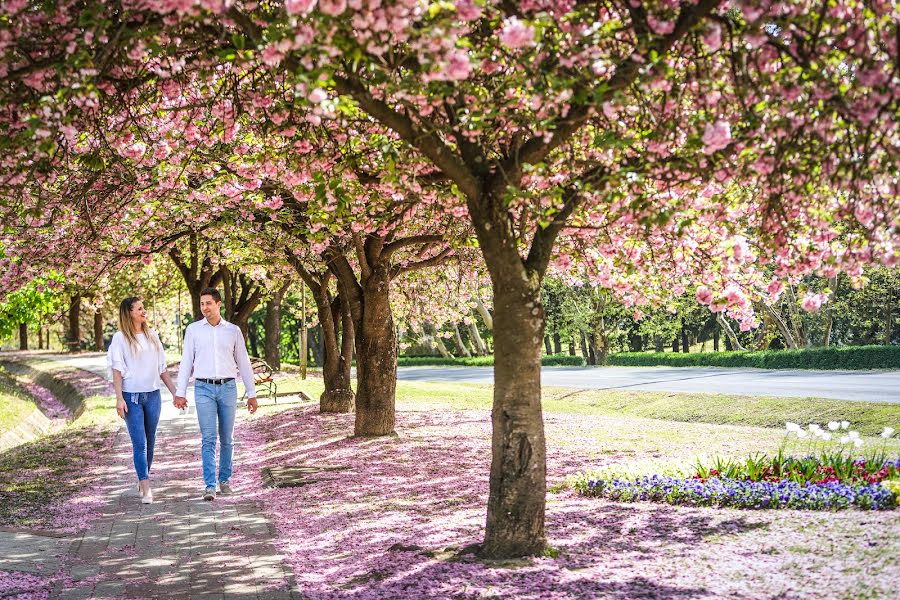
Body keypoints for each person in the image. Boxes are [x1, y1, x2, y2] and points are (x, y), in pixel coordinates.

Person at [174, 287, 257, 501]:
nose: (205, 307)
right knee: (208, 438)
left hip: (228, 387)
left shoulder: (233, 331)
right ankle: (210, 485)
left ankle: (225, 481)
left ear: (219, 304)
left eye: (208, 303)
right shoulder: (193, 330)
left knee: (227, 439)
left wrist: (252, 393)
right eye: (202, 304)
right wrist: (180, 392)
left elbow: (244, 363)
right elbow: (186, 363)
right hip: (203, 389)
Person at [109, 297, 178, 505]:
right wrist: (119, 398)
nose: (144, 311)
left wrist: (176, 393)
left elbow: (162, 369)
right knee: (139, 444)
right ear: (129, 313)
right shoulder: (120, 339)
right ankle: (146, 487)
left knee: (150, 441)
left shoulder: (153, 336)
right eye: (139, 308)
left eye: (143, 307)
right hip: (132, 397)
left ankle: (142, 477)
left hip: (153, 395)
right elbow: (117, 371)